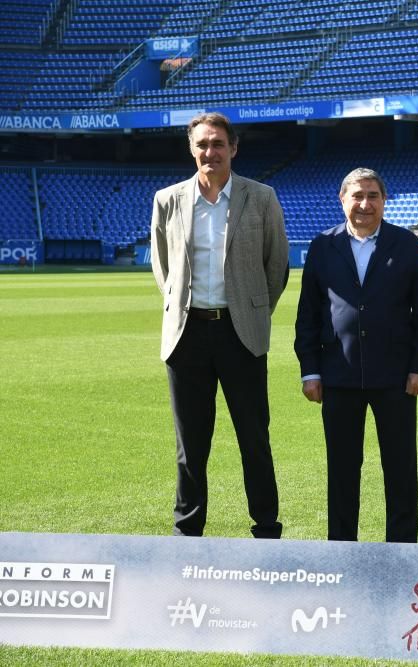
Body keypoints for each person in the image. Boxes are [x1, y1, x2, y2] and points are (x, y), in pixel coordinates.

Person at [151, 112, 289, 538]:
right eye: (202, 145)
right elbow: (162, 265)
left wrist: (251, 311)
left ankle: (266, 527)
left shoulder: (261, 197)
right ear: (193, 149)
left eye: (218, 144)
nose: (210, 152)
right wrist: (179, 306)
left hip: (240, 333)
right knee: (190, 445)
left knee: (254, 438)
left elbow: (277, 265)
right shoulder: (168, 199)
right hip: (187, 334)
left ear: (233, 148)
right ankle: (187, 530)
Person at [294, 167, 418, 543]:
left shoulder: (406, 245)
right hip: (338, 376)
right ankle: (342, 552)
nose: (364, 203)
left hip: (396, 378)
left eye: (372, 195)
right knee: (342, 472)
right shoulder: (323, 246)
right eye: (356, 195)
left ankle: (403, 552)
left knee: (401, 471)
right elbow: (308, 314)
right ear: (342, 200)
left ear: (384, 201)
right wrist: (310, 371)